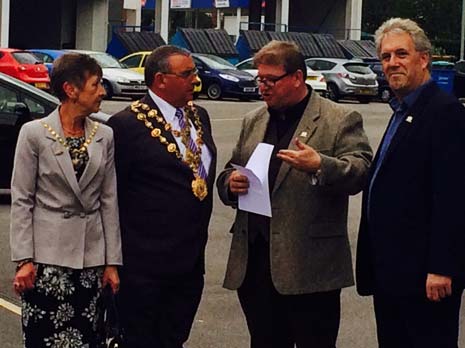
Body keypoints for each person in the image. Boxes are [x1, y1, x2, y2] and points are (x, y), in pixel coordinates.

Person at [217, 40, 372, 348]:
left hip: (310, 269)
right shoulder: (254, 120)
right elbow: (228, 170)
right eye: (259, 79)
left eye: (270, 80)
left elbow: (361, 170)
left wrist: (320, 165)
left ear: (297, 78)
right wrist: (230, 183)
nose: (262, 87)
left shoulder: (339, 118)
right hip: (256, 266)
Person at [356, 18, 465, 348]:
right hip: (393, 275)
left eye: (401, 54)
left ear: (424, 58)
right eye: (386, 56)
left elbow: (453, 196)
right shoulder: (401, 110)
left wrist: (442, 267)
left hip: (426, 279)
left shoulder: (444, 113)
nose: (392, 63)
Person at [107, 45, 217, 348]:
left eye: (194, 72)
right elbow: (111, 197)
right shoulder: (126, 125)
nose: (195, 80)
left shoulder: (199, 116)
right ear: (160, 80)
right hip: (144, 266)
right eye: (187, 74)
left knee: (174, 338)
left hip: (190, 262)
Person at [10, 53, 122, 348]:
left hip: (91, 262)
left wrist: (112, 263)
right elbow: (22, 199)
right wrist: (24, 260)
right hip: (46, 264)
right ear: (71, 90)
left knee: (89, 340)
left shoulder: (105, 135)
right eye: (95, 85)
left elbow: (109, 200)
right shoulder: (33, 133)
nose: (102, 92)